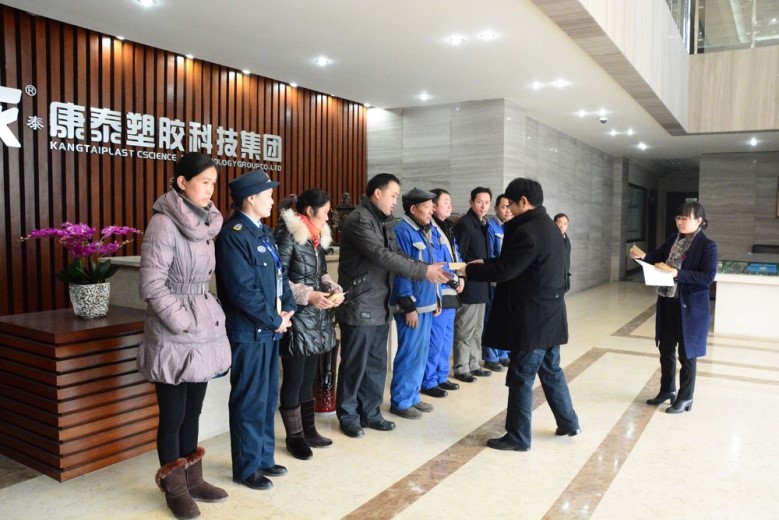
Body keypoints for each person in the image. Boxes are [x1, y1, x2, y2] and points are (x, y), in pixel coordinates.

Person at [137, 152, 231, 520]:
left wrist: (201, 319)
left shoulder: (206, 224)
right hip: (173, 332)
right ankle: (174, 489)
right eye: (204, 182)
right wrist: (181, 321)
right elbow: (152, 283)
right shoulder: (163, 224)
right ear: (182, 182)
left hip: (200, 329)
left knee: (194, 411)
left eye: (213, 183)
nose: (210, 189)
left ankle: (193, 480)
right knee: (173, 415)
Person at [462, 177, 580, 452]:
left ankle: (518, 437)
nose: (508, 210)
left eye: (511, 205)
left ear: (524, 202)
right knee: (551, 371)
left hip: (533, 318)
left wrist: (470, 270)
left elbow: (507, 270)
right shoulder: (548, 227)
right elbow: (519, 263)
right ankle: (569, 422)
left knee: (521, 376)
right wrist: (484, 262)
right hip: (550, 314)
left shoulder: (528, 231)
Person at [335, 173, 451, 438]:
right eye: (393, 196)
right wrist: (423, 271)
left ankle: (371, 412)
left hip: (380, 303)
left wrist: (425, 267)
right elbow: (381, 255)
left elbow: (398, 254)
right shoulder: (360, 220)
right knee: (355, 365)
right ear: (377, 193)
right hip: (361, 303)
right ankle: (349, 416)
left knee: (376, 364)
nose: (395, 202)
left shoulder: (384, 221)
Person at [215, 169, 296, 491]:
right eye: (268, 195)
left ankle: (263, 458)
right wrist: (274, 319)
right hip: (248, 333)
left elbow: (279, 276)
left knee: (266, 398)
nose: (273, 201)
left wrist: (288, 308)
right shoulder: (233, 235)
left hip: (269, 331)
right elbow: (241, 290)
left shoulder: (262, 232)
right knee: (249, 401)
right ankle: (246, 468)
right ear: (250, 198)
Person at [274, 190, 343, 460]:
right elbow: (278, 278)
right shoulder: (288, 234)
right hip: (296, 316)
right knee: (294, 379)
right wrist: (309, 295)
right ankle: (295, 437)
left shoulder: (317, 237)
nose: (327, 218)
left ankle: (309, 430)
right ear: (310, 211)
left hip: (316, 316)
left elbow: (320, 273)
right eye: (324, 212)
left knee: (309, 377)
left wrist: (331, 287)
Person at [629, 201, 717, 413]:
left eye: (685, 218)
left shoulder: (707, 246)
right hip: (668, 301)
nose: (680, 222)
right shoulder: (673, 239)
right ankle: (667, 390)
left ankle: (686, 397)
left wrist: (678, 274)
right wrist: (642, 257)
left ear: (699, 221)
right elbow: (656, 256)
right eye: (678, 218)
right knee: (666, 348)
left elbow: (707, 277)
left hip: (690, 308)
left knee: (687, 354)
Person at [389, 188, 441, 419]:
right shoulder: (402, 231)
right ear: (413, 209)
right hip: (413, 306)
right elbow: (402, 270)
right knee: (409, 353)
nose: (431, 211)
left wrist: (436, 299)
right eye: (427, 207)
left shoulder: (425, 230)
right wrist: (408, 306)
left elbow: (432, 268)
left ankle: (413, 396)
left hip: (427, 302)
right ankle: (401, 401)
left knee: (421, 354)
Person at [421, 189, 464, 398]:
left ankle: (441, 376)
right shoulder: (431, 229)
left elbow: (456, 255)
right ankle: (429, 381)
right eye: (445, 202)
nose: (449, 206)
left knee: (446, 339)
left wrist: (461, 276)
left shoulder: (448, 227)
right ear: (434, 206)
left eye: (450, 202)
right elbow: (437, 261)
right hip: (440, 290)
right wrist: (453, 278)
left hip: (452, 291)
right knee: (436, 340)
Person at [452, 187, 494, 383]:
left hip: (482, 286)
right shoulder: (465, 224)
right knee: (465, 329)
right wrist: (460, 278)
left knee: (477, 329)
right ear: (471, 202)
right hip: (469, 286)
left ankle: (474, 364)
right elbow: (458, 255)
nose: (483, 206)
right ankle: (461, 367)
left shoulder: (484, 223)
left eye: (487, 202)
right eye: (479, 202)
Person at [482, 193, 513, 371]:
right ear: (496, 208)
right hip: (495, 281)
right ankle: (491, 356)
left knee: (505, 319)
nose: (507, 210)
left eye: (509, 206)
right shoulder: (491, 227)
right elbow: (491, 256)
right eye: (503, 207)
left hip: (507, 281)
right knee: (491, 319)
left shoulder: (511, 227)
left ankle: (504, 353)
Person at [554, 213, 571, 291]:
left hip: (563, 277)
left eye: (565, 224)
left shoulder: (566, 239)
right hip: (554, 279)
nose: (562, 226)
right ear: (554, 224)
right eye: (559, 223)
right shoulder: (551, 238)